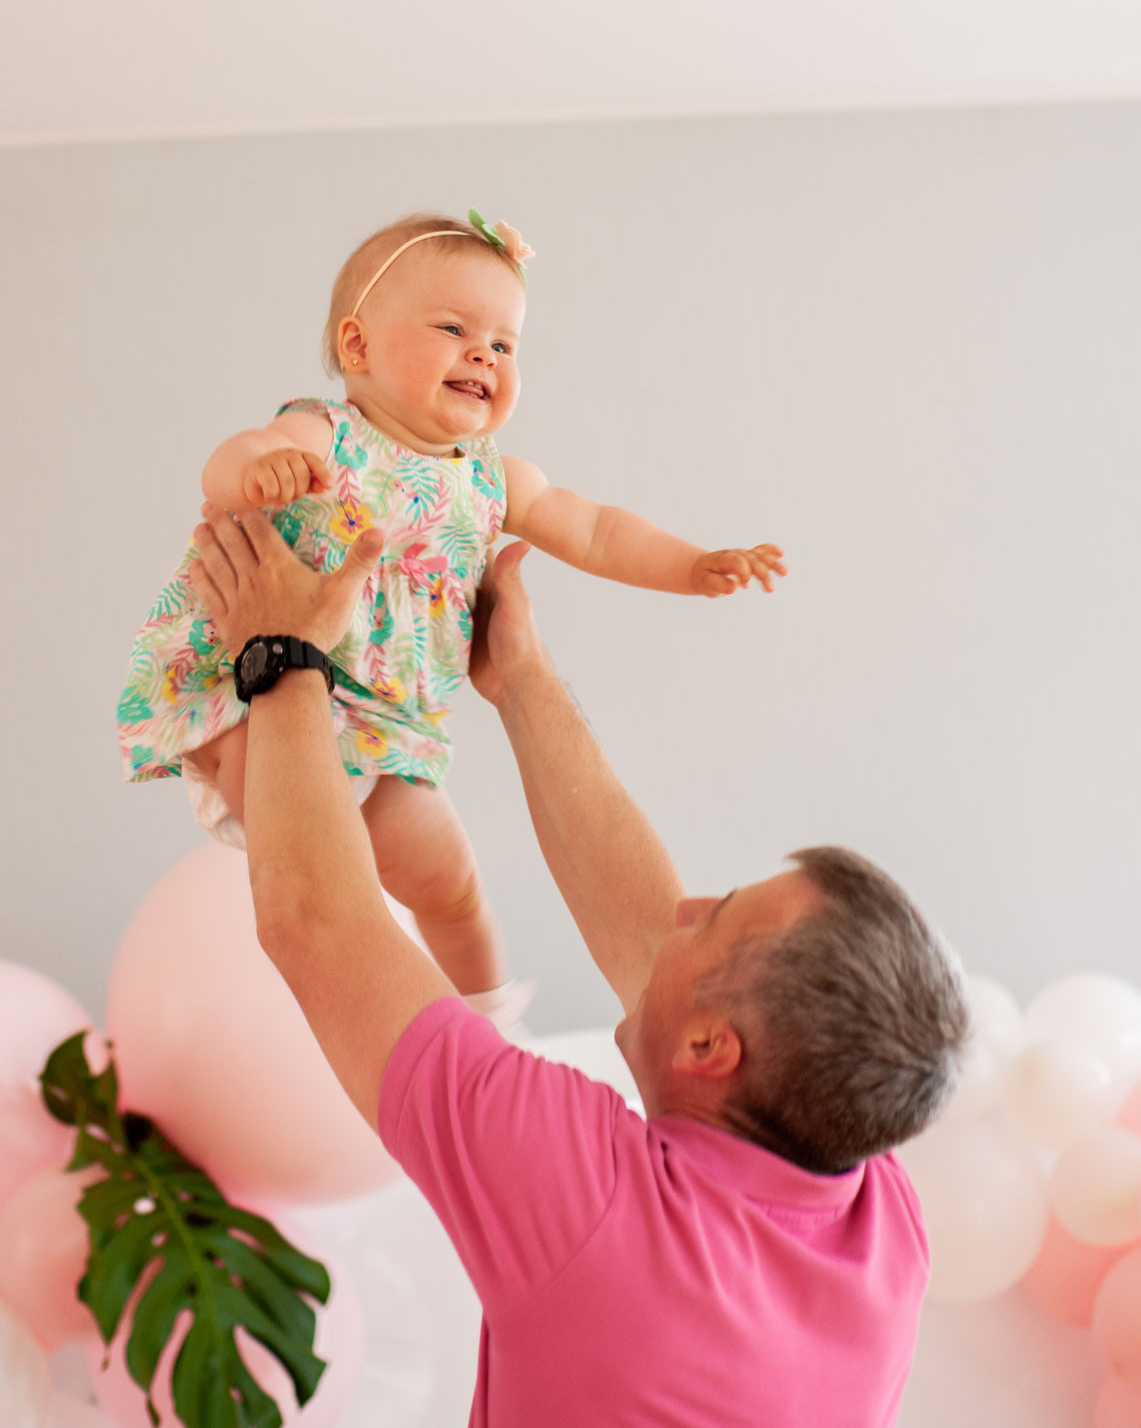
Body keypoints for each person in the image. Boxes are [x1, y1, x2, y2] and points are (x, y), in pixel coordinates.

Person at [187, 506, 968, 1428]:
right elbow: (660, 947)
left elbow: (317, 919)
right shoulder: (870, 1201)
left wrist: (285, 656)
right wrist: (522, 676)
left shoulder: (591, 1198)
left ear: (712, 1052)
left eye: (723, 912)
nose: (685, 906)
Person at [118, 209, 784, 1023]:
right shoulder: (325, 434)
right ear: (357, 348)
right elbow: (229, 459)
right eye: (453, 328)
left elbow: (596, 528)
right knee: (318, 867)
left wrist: (690, 565)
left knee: (452, 883)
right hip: (264, 695)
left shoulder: (497, 478)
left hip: (389, 723)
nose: (485, 354)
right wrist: (264, 469)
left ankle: (492, 1020)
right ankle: (344, 996)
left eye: (505, 344)